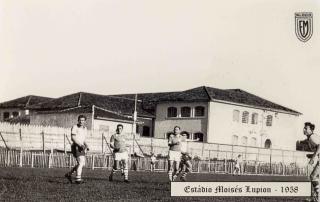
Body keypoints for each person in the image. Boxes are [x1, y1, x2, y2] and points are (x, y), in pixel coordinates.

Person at [65, 115, 89, 184]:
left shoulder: (85, 129)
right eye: (80, 120)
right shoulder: (75, 127)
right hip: (76, 146)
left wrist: (86, 145)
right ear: (78, 120)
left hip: (82, 146)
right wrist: (80, 145)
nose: (81, 121)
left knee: (81, 163)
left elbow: (83, 139)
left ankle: (69, 174)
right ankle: (78, 179)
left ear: (85, 121)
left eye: (83, 120)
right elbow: (73, 138)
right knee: (81, 162)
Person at [304, 122, 319, 202]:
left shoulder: (312, 137)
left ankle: (316, 198)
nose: (304, 130)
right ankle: (315, 198)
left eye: (306, 128)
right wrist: (312, 155)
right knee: (315, 178)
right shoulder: (311, 137)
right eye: (304, 128)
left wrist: (313, 158)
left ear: (311, 130)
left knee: (313, 177)